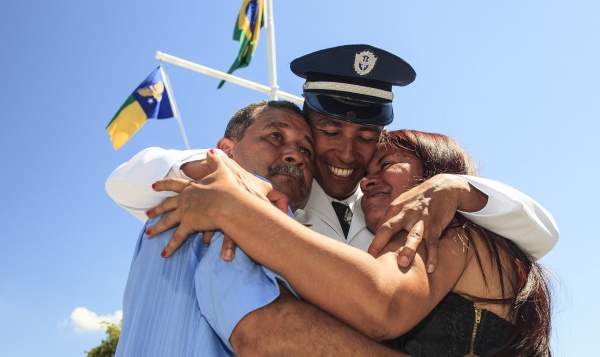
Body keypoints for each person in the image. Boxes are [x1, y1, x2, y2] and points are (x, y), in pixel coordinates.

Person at [150, 129, 553, 356]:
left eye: (387, 165)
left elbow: (385, 306)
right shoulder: (390, 249)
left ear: (434, 172)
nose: (367, 180)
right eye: (367, 171)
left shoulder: (456, 232)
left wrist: (234, 209)